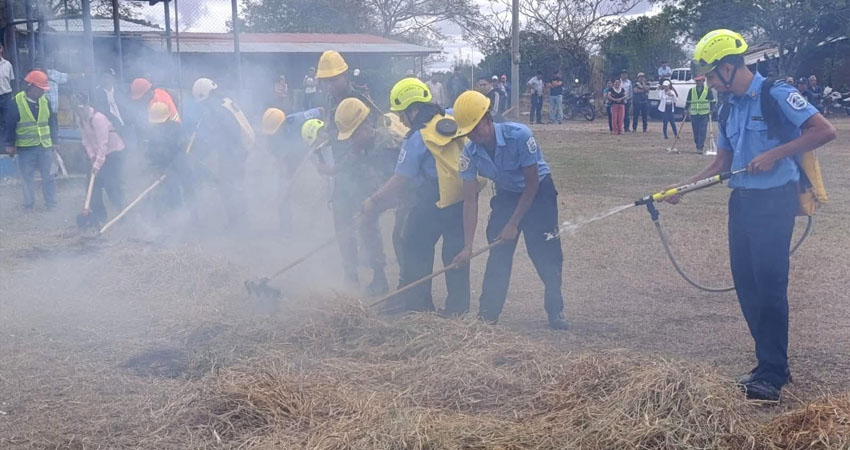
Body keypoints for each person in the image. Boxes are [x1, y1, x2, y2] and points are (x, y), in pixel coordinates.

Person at [664, 29, 835, 401]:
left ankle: (772, 374)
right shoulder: (727, 107)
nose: (709, 83)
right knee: (746, 284)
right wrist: (684, 187)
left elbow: (824, 130)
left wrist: (775, 154)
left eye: (711, 75)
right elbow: (723, 162)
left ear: (728, 68)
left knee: (770, 284)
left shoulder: (776, 94)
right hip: (741, 203)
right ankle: (768, 364)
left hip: (775, 201)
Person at [452, 90, 567, 330]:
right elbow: (470, 201)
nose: (473, 135)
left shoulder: (520, 135)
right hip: (506, 195)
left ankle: (555, 312)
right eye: (468, 132)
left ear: (488, 118)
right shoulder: (469, 154)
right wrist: (467, 246)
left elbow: (532, 183)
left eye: (476, 128)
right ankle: (487, 317)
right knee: (498, 254)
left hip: (538, 194)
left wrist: (513, 224)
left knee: (546, 253)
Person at [364, 78, 470, 314]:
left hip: (432, 198)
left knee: (414, 247)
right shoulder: (450, 117)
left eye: (403, 113)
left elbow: (401, 177)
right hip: (461, 196)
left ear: (414, 109)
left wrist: (375, 199)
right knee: (454, 253)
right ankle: (457, 309)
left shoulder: (417, 137)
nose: (401, 119)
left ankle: (418, 305)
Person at [316, 50, 382, 287]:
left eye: (333, 79)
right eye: (325, 80)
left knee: (367, 227)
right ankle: (350, 275)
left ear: (345, 75)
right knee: (342, 227)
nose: (329, 85)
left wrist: (335, 169)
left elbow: (363, 140)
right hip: (343, 177)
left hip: (362, 174)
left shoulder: (359, 101)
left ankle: (379, 277)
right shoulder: (332, 101)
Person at [192, 77, 255, 227]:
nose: (205, 106)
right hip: (240, 149)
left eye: (204, 102)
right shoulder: (225, 101)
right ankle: (239, 221)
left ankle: (238, 223)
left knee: (230, 186)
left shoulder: (218, 109)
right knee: (234, 185)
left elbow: (222, 135)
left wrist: (202, 151)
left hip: (234, 151)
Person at [261, 106, 324, 233]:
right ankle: (286, 228)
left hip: (311, 150)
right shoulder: (271, 139)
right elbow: (279, 160)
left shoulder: (298, 119)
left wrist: (322, 132)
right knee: (283, 193)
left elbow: (321, 111)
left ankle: (315, 223)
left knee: (320, 185)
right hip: (289, 159)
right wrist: (285, 179)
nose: (274, 134)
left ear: (282, 124)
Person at [4, 71, 56, 210]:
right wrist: (10, 144)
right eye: (40, 89)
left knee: (49, 176)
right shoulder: (16, 102)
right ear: (30, 86)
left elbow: (52, 122)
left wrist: (54, 140)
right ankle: (28, 205)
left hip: (45, 146)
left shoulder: (45, 101)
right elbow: (9, 125)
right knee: (27, 178)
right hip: (26, 147)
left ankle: (51, 203)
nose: (42, 92)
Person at [72, 91, 125, 225]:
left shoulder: (98, 118)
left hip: (112, 154)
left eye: (81, 108)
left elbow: (104, 144)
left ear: (86, 105)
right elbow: (86, 140)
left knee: (111, 186)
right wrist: (92, 157)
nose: (79, 112)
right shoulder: (80, 120)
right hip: (97, 156)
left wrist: (97, 164)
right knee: (92, 187)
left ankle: (124, 214)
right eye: (76, 110)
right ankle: (100, 218)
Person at [145, 101, 193, 218]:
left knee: (187, 186)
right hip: (162, 165)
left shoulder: (177, 129)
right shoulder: (153, 131)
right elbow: (150, 151)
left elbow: (182, 149)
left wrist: (172, 166)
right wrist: (154, 166)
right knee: (167, 188)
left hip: (179, 163)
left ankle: (190, 213)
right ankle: (170, 212)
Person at [92, 68, 127, 139]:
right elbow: (101, 111)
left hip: (125, 125)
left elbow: (126, 107)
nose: (107, 80)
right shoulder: (97, 93)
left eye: (109, 77)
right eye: (105, 77)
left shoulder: (120, 91)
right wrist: (115, 122)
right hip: (110, 127)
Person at [686, 75, 715, 153]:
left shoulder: (708, 90)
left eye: (699, 81)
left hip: (704, 113)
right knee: (695, 131)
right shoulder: (691, 90)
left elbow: (712, 101)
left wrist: (712, 110)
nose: (698, 82)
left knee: (702, 130)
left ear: (703, 81)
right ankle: (697, 144)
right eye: (697, 81)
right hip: (694, 113)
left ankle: (700, 147)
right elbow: (688, 101)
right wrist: (686, 109)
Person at [0, 44, 15, 136]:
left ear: (1, 49)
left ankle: (6, 145)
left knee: (7, 121)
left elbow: (11, 80)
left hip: (6, 96)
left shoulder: (8, 64)